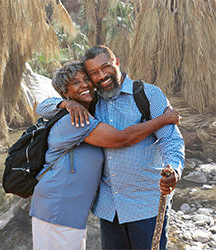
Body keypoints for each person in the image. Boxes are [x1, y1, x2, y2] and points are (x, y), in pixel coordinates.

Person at [36, 45, 185, 250]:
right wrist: (66, 104)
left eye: (105, 67)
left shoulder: (148, 95)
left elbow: (171, 140)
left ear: (116, 63)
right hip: (109, 208)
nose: (102, 76)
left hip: (145, 205)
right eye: (93, 73)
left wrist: (174, 169)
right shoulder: (91, 102)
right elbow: (42, 106)